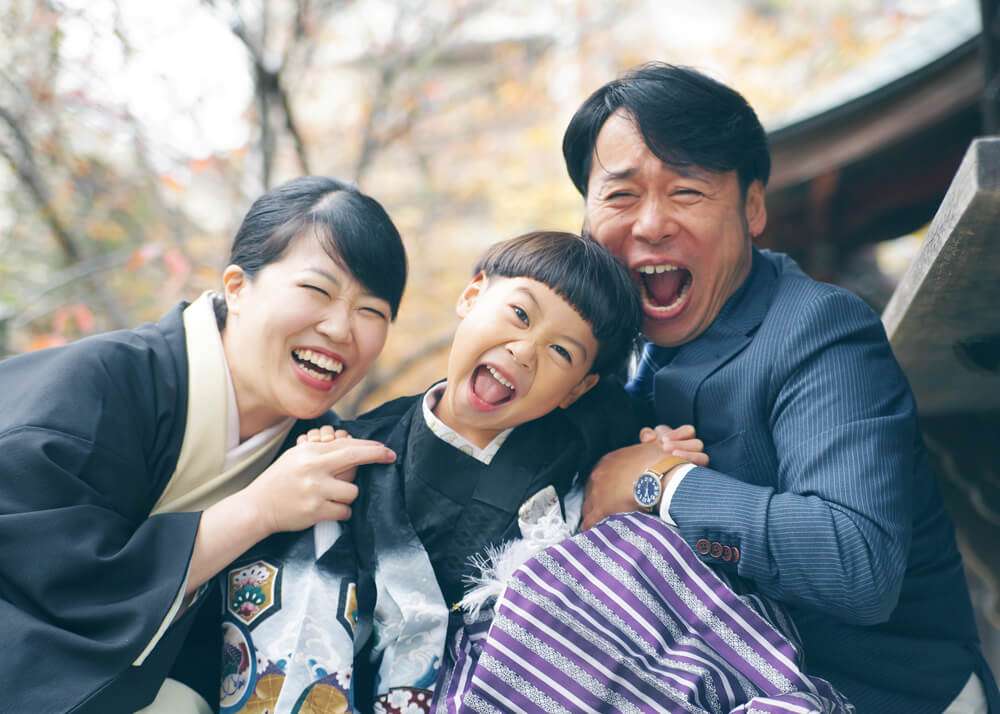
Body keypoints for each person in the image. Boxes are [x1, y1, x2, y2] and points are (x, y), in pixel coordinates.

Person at [565, 62, 999, 712]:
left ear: (753, 206)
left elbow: (857, 565)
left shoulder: (818, 330)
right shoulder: (606, 340)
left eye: (686, 191)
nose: (651, 224)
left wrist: (661, 485)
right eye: (621, 195)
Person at [0, 176, 406, 713]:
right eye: (317, 291)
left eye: (372, 312)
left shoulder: (318, 457)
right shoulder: (99, 382)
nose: (339, 328)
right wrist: (256, 511)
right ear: (237, 288)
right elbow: (39, 576)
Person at [219, 231, 668, 713]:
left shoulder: (582, 442)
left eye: (561, 351)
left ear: (576, 390)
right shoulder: (362, 451)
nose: (524, 350)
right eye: (520, 314)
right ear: (472, 295)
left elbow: (646, 470)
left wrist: (653, 462)